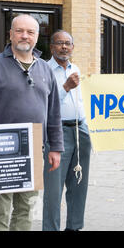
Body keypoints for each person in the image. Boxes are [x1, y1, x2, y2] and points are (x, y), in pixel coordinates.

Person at [0, 14, 63, 231]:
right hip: (0, 152)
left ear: (37, 36)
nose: (24, 36)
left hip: (34, 149)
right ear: (10, 34)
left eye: (30, 32)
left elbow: (54, 112)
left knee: (26, 207)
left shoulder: (45, 69)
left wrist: (56, 147)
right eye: (19, 31)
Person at [43, 30, 92, 231]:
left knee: (79, 185)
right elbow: (43, 103)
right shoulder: (43, 70)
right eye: (59, 43)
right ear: (52, 47)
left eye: (68, 43)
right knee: (54, 190)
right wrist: (65, 87)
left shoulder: (77, 69)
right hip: (57, 133)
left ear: (73, 47)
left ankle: (74, 227)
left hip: (80, 131)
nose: (64, 47)